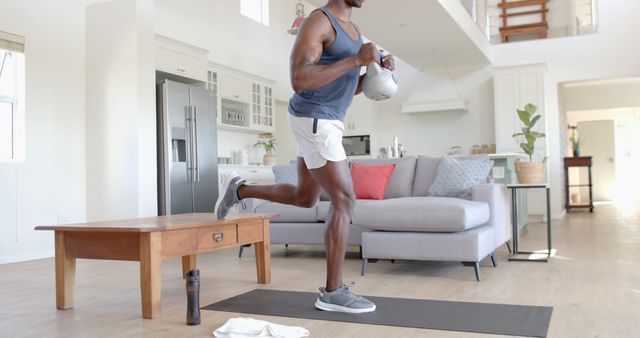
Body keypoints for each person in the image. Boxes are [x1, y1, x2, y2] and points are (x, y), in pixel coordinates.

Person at [215, 0, 395, 314]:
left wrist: (373, 74)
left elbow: (341, 85)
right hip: (315, 118)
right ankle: (332, 292)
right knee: (344, 199)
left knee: (304, 197)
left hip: (324, 118)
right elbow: (300, 79)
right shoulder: (319, 22)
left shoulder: (354, 30)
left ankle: (240, 190)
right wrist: (355, 60)